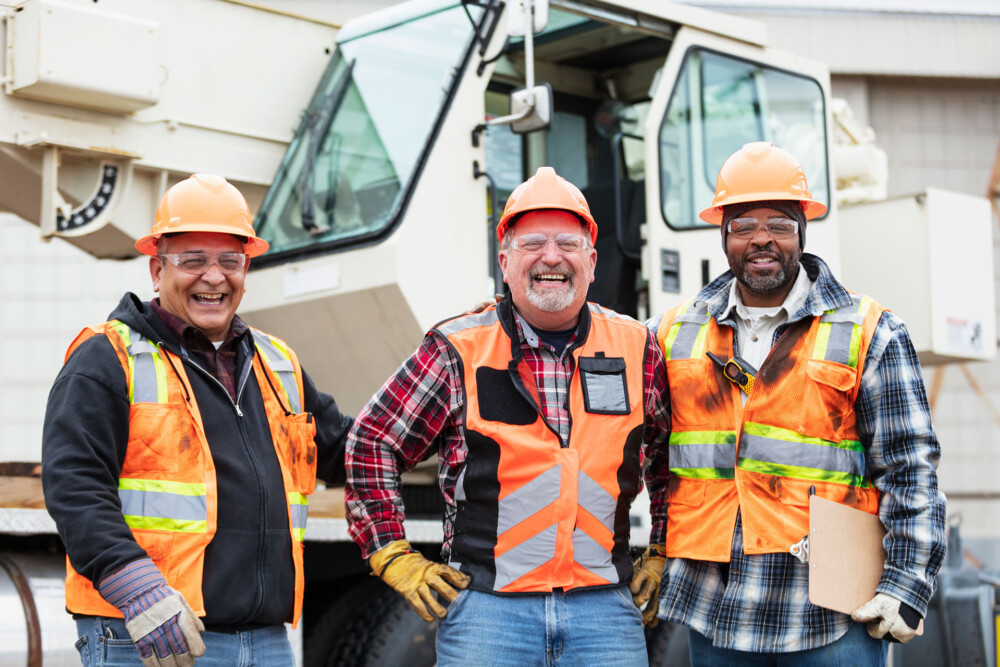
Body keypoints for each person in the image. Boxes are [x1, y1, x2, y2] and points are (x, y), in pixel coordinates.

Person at [345, 166, 671, 666]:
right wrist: (390, 552)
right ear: (504, 261)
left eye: (567, 243)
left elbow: (671, 451)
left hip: (604, 612)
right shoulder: (457, 348)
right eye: (532, 243)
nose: (551, 257)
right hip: (487, 614)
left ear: (592, 259)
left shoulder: (637, 346)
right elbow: (371, 442)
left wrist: (665, 545)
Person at [647, 142, 946, 665]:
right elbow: (638, 446)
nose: (762, 239)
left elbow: (910, 467)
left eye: (779, 224)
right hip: (718, 611)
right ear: (723, 234)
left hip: (832, 611)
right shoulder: (673, 333)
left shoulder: (869, 332)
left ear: (802, 231)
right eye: (744, 225)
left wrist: (907, 585)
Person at [42, 174, 353, 667]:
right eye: (193, 261)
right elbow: (74, 486)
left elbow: (345, 451)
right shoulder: (108, 358)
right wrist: (136, 589)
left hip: (266, 640)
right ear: (155, 268)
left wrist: (442, 412)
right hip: (149, 633)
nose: (214, 277)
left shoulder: (277, 363)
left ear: (246, 269)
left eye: (230, 261)